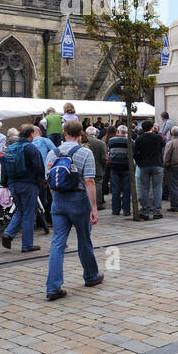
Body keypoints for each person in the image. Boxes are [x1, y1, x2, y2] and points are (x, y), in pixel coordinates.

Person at [45, 119, 103, 302]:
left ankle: (53, 287)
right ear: (81, 134)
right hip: (79, 200)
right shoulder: (85, 153)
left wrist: (55, 201)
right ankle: (91, 275)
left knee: (57, 244)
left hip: (59, 200)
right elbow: (89, 181)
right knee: (84, 240)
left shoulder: (52, 153)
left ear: (64, 133)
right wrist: (94, 207)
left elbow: (49, 181)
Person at [1, 124, 46, 253]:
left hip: (13, 184)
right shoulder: (31, 148)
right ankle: (27, 245)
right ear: (31, 134)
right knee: (29, 214)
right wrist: (42, 180)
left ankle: (8, 233)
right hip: (28, 184)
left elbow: (4, 166)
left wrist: (5, 183)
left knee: (21, 210)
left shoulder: (10, 148)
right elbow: (39, 167)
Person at [135, 121, 165, 220]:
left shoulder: (139, 139)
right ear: (152, 127)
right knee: (157, 188)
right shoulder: (157, 137)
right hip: (157, 164)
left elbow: (135, 154)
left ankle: (145, 211)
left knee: (145, 189)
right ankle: (156, 211)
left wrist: (140, 163)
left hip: (144, 165)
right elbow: (163, 145)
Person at [108, 125, 131, 216]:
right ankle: (126, 210)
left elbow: (110, 150)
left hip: (114, 167)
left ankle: (115, 210)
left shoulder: (111, 140)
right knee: (126, 189)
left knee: (115, 189)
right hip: (126, 166)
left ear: (118, 131)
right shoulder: (130, 141)